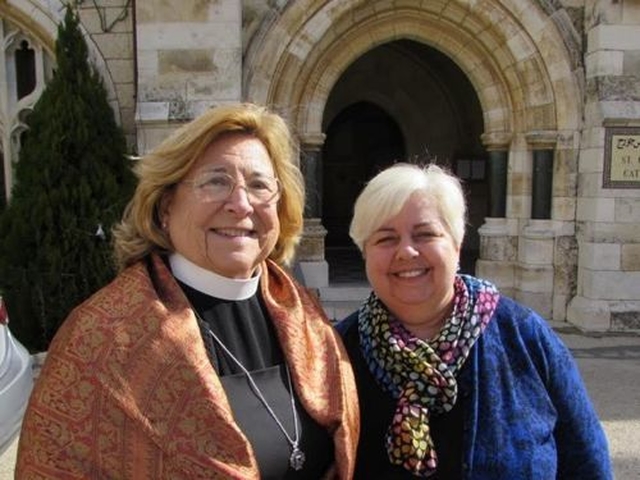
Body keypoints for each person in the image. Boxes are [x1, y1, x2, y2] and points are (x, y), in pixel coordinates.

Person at [16, 103, 359, 479]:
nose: (241, 204)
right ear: (165, 206)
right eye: (216, 181)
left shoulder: (306, 320)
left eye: (259, 185)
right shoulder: (103, 337)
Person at [336, 163, 612, 479]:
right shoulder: (336, 352)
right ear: (365, 251)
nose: (407, 251)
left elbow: (587, 464)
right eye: (385, 239)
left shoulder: (524, 336)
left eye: (425, 234)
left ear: (456, 242)